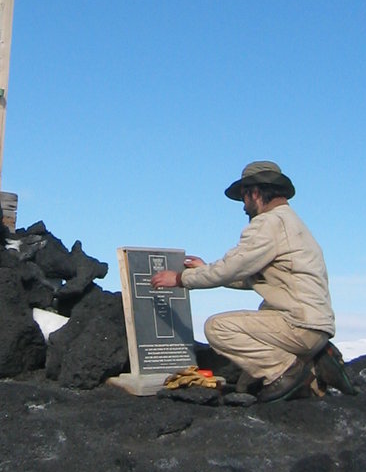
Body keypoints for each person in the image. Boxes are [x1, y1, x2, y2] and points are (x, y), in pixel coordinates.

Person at [150, 160, 353, 402]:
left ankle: (286, 371)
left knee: (217, 328)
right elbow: (249, 277)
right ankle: (314, 360)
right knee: (247, 384)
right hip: (316, 327)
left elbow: (232, 267)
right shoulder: (293, 224)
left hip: (298, 325)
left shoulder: (268, 224)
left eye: (244, 198)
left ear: (254, 193)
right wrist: (205, 270)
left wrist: (181, 278)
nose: (244, 206)